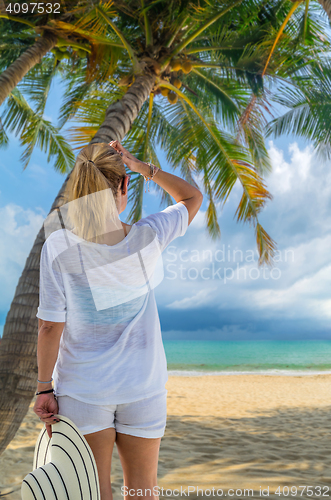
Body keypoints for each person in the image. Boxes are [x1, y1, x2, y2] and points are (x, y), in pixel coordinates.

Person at [33, 141, 203, 500]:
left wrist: (44, 388)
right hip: (143, 387)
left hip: (83, 390)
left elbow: (49, 326)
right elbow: (191, 198)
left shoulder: (59, 246)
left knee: (93, 492)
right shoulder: (149, 235)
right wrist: (144, 168)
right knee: (143, 491)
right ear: (123, 186)